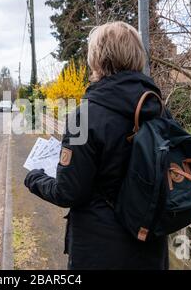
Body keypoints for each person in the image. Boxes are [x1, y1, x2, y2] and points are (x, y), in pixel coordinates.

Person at [24, 21, 169, 270]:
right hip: (150, 246)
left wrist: (35, 178)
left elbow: (69, 192)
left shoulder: (86, 115)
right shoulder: (159, 109)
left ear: (97, 59)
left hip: (99, 250)